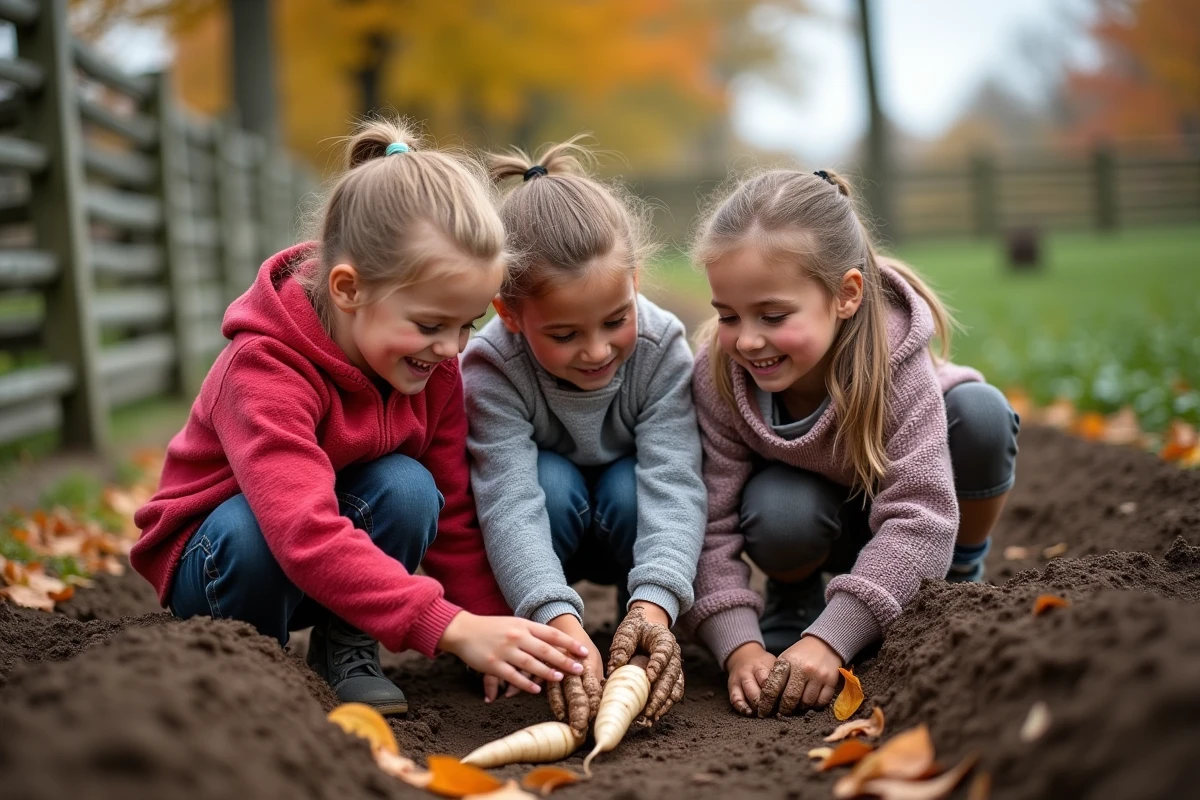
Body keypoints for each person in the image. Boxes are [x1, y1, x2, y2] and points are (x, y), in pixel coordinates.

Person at [132, 119, 588, 716]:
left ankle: (346, 646)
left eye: (467, 325)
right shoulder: (264, 367)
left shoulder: (434, 369)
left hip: (324, 564)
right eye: (430, 325)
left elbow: (454, 515)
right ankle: (251, 662)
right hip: (220, 561)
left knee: (409, 487)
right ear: (349, 289)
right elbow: (300, 529)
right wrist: (448, 626)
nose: (452, 348)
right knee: (249, 531)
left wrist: (493, 627)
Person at [678, 169, 1019, 717]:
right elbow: (707, 521)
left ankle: (955, 577)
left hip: (913, 520)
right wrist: (737, 645)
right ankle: (794, 595)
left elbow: (921, 513)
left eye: (773, 315)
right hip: (817, 518)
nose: (748, 339)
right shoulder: (719, 375)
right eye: (727, 316)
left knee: (982, 414)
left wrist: (832, 639)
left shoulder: (893, 364)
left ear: (846, 295)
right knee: (780, 505)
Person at [462, 138, 703, 735]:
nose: (596, 350)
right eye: (565, 334)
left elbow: (674, 479)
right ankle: (545, 625)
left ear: (635, 282)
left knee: (628, 486)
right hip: (551, 518)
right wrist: (553, 620)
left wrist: (656, 605)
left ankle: (633, 622)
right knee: (549, 480)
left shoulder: (662, 348)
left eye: (616, 321)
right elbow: (508, 501)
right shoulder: (492, 366)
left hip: (628, 516)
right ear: (509, 313)